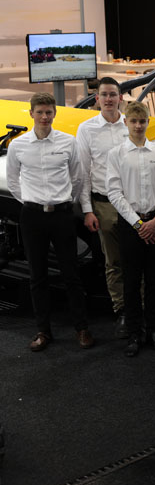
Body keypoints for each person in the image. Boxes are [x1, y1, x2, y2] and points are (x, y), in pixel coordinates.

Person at [6, 92, 94, 352]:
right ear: (31, 113)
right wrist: (33, 202)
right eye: (40, 112)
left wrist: (63, 202)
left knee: (71, 275)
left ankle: (82, 328)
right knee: (37, 276)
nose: (45, 117)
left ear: (55, 113)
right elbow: (13, 182)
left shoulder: (69, 142)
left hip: (62, 215)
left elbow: (78, 178)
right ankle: (43, 331)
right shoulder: (18, 146)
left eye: (49, 112)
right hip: (32, 216)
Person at [106, 101, 155, 357]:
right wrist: (138, 224)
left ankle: (154, 329)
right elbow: (114, 191)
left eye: (142, 121)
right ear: (126, 123)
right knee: (132, 282)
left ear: (148, 122)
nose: (138, 126)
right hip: (131, 225)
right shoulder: (116, 154)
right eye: (133, 121)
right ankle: (135, 332)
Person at [76, 76, 128, 336]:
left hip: (132, 204)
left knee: (136, 258)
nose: (109, 99)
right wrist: (87, 209)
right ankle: (122, 310)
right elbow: (83, 172)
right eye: (104, 95)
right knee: (114, 261)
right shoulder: (86, 129)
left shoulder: (132, 125)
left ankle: (140, 307)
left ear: (121, 98)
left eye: (113, 94)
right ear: (96, 99)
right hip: (104, 204)